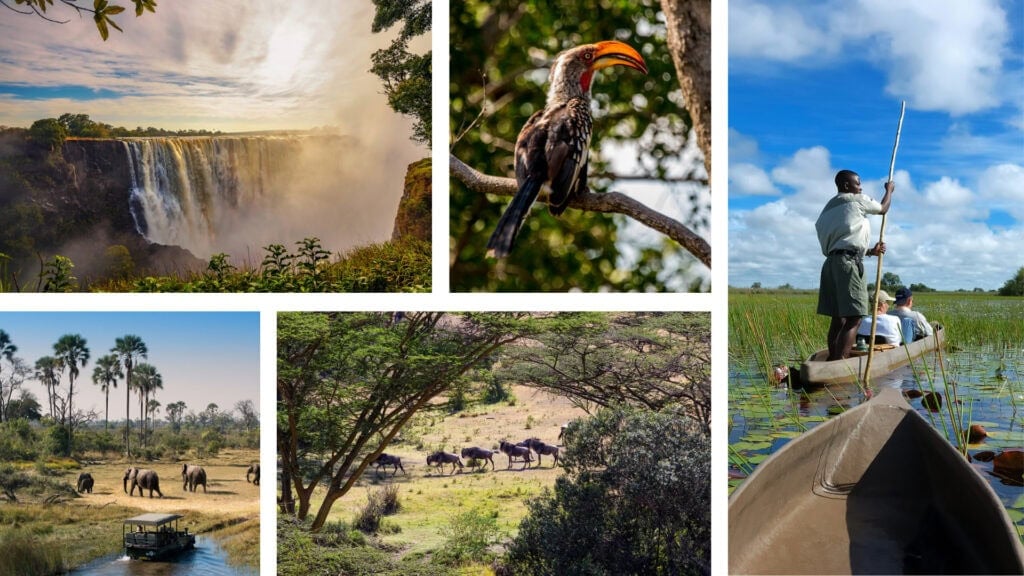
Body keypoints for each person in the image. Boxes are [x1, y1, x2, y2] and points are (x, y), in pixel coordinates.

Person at [815, 169, 894, 360]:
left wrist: (869, 251)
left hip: (831, 264)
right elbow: (883, 208)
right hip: (848, 265)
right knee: (854, 317)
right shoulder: (855, 200)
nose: (861, 187)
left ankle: (833, 359)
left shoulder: (827, 210)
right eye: (858, 183)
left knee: (839, 317)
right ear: (846, 186)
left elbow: (841, 241)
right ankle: (840, 362)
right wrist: (889, 190)